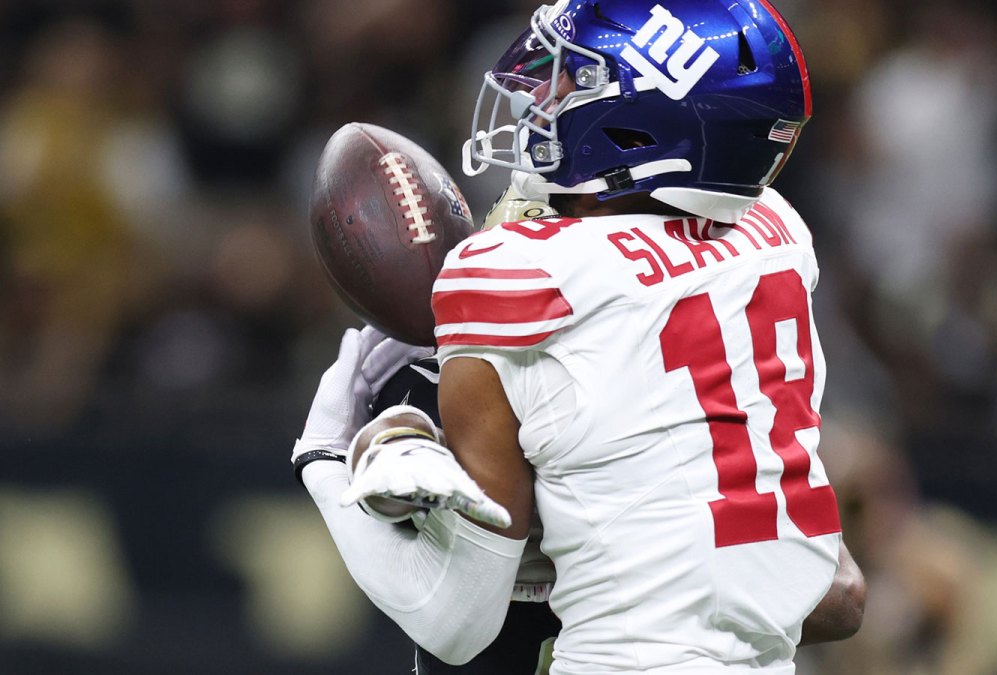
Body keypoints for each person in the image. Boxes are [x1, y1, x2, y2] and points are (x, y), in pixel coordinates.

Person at [294, 1, 864, 672]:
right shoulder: (777, 236)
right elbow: (836, 593)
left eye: (579, 79)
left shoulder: (509, 275)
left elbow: (453, 618)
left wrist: (325, 457)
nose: (546, 93)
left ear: (641, 129)